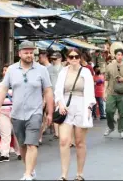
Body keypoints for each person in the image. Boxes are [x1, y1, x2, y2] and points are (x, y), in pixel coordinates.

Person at [0, 41, 54, 180]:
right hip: (17, 114)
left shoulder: (41, 70)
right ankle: (30, 170)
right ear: (19, 53)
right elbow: (3, 89)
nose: (29, 55)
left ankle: (27, 174)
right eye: (26, 52)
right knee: (22, 146)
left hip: (35, 113)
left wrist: (49, 112)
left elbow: (48, 91)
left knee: (32, 143)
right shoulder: (11, 70)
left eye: (31, 53)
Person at [54, 49, 96, 181]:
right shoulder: (63, 71)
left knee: (79, 142)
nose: (74, 59)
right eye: (71, 57)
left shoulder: (86, 72)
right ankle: (63, 174)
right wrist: (60, 104)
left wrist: (89, 107)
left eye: (76, 56)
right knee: (64, 141)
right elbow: (58, 90)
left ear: (80, 58)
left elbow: (90, 91)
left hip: (81, 106)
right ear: (67, 58)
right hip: (65, 106)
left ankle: (79, 173)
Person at [104, 48, 123, 139]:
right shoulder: (109, 66)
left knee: (122, 113)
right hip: (111, 92)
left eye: (121, 55)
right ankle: (111, 127)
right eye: (118, 55)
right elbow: (106, 79)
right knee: (108, 111)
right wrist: (104, 92)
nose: (119, 56)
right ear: (115, 56)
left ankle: (122, 130)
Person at [0, 64, 21, 163]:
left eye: (7, 70)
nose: (5, 72)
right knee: (5, 134)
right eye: (4, 70)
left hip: (16, 112)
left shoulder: (18, 83)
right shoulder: (0, 84)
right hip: (3, 112)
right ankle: (4, 154)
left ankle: (20, 152)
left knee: (17, 133)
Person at [44, 52, 63, 142]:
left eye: (55, 59)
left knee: (61, 111)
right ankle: (56, 133)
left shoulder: (65, 69)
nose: (53, 61)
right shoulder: (49, 69)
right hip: (52, 93)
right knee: (54, 112)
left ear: (60, 59)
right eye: (52, 59)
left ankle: (61, 131)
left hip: (63, 94)